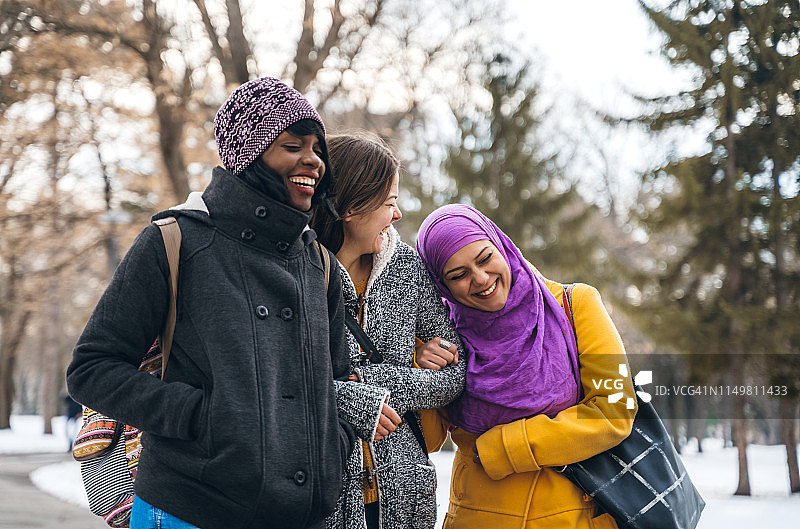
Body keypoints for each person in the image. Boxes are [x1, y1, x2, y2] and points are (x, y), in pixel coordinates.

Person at [66, 77, 369, 529]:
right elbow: (91, 369)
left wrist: (331, 442)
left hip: (302, 517)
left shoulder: (318, 263)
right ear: (250, 155)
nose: (314, 160)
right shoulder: (173, 241)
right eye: (292, 145)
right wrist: (200, 417)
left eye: (317, 148)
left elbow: (338, 378)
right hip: (189, 509)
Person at [415, 203, 637, 529]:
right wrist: (420, 370)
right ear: (442, 284)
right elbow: (430, 441)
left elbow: (616, 411)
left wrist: (506, 448)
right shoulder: (445, 334)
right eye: (458, 275)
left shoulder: (577, 305)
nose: (480, 278)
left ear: (500, 244)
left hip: (574, 517)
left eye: (485, 258)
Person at [310, 132, 466, 529]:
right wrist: (351, 394)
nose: (397, 216)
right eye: (389, 203)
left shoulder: (407, 267)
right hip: (322, 495)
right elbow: (280, 385)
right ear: (350, 205)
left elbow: (455, 374)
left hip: (405, 495)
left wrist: (373, 378)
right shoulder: (297, 272)